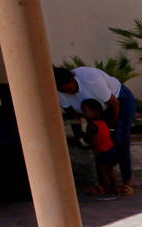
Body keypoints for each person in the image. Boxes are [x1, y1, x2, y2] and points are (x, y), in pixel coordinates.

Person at [55, 65, 137, 195]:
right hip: (97, 110)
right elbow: (73, 115)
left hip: (120, 101)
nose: (69, 93)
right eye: (64, 92)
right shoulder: (60, 91)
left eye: (69, 89)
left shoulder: (91, 80)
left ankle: (126, 183)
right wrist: (80, 136)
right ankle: (104, 185)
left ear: (71, 80)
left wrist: (112, 128)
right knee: (98, 145)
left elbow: (114, 104)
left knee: (119, 140)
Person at [79, 99, 120, 200]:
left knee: (103, 174)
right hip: (111, 151)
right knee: (110, 172)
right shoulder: (103, 123)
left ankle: (108, 193)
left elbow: (89, 140)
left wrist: (81, 140)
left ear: (95, 112)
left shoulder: (91, 126)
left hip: (102, 152)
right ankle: (115, 191)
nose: (83, 114)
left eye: (85, 111)